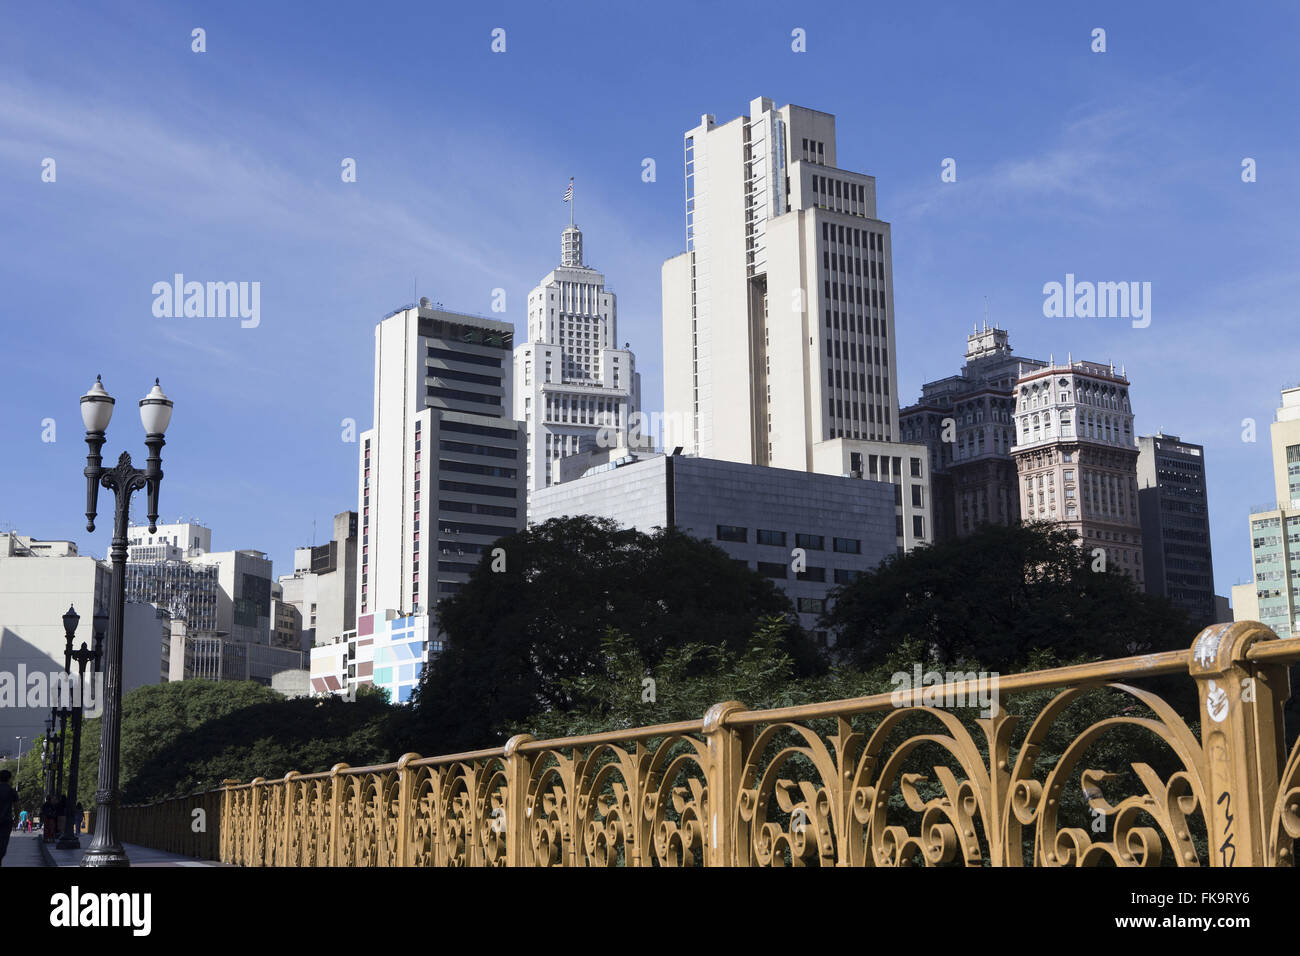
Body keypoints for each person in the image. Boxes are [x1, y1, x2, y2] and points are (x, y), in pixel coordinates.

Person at [0, 770, 18, 866]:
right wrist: (17, 819)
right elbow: (16, 807)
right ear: (9, 779)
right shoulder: (12, 791)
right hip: (6, 821)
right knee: (3, 844)